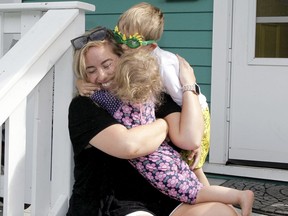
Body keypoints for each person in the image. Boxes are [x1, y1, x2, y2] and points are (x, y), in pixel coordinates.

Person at [68, 26, 254, 216]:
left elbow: (189, 139)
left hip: (167, 197)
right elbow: (129, 146)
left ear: (123, 58)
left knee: (222, 213)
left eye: (107, 65)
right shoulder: (85, 106)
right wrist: (164, 125)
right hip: (112, 202)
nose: (101, 76)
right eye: (91, 71)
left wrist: (189, 85)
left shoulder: (149, 94)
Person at [77, 2, 211, 186]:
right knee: (186, 170)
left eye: (130, 42)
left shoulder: (163, 65)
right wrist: (80, 82)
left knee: (193, 167)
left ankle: (212, 196)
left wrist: (194, 131)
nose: (123, 45)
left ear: (150, 46)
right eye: (119, 36)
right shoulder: (128, 53)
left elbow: (183, 102)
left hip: (194, 109)